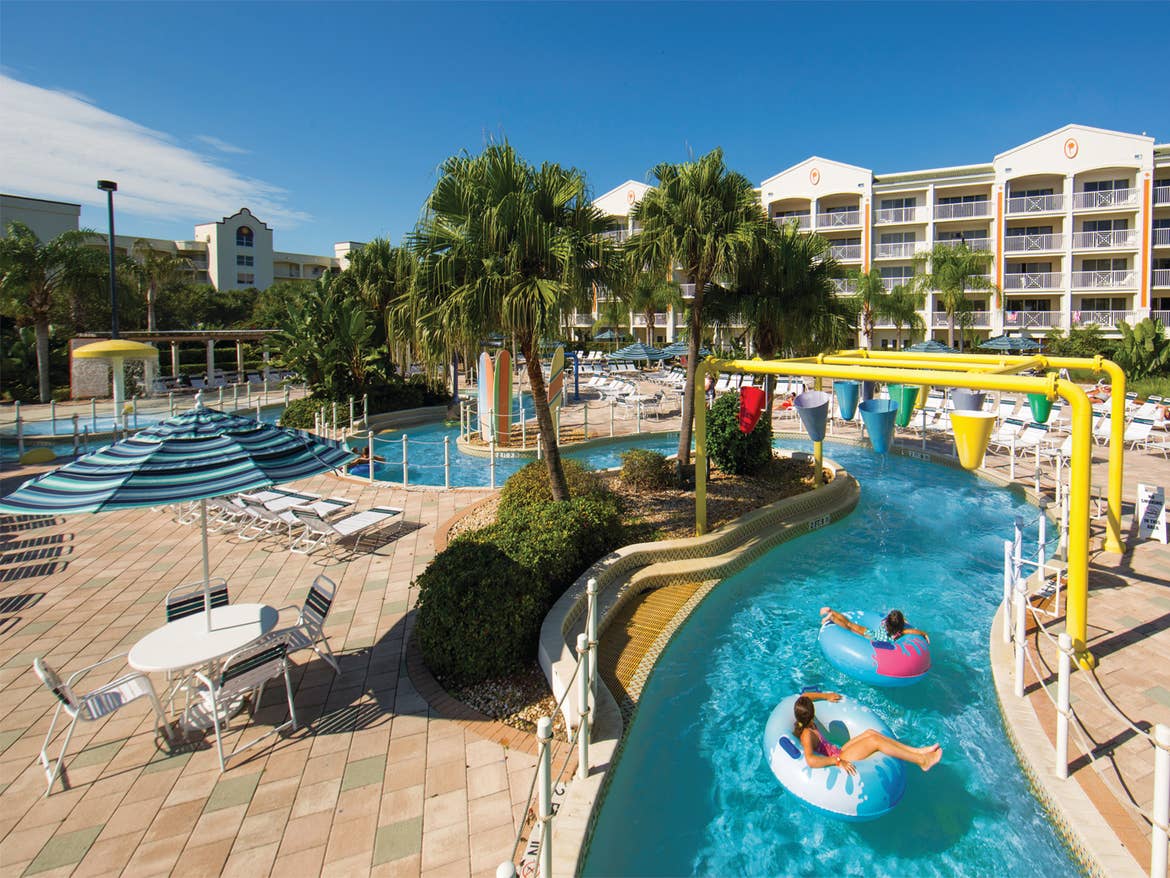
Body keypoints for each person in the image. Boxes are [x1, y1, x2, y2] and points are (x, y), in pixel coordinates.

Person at [793, 691, 942, 776]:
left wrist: (826, 696)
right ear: (811, 714)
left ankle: (918, 751)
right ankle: (921, 761)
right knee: (874, 741)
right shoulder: (807, 734)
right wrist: (837, 761)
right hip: (839, 758)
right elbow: (811, 760)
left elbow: (805, 696)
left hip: (839, 751)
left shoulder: (805, 719)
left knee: (870, 733)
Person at [820, 607, 929, 643]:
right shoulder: (900, 633)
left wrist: (901, 619)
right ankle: (832, 618)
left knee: (849, 624)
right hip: (872, 639)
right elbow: (913, 631)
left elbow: (894, 616)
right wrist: (924, 634)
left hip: (871, 632)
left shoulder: (885, 621)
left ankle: (831, 612)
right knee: (849, 629)